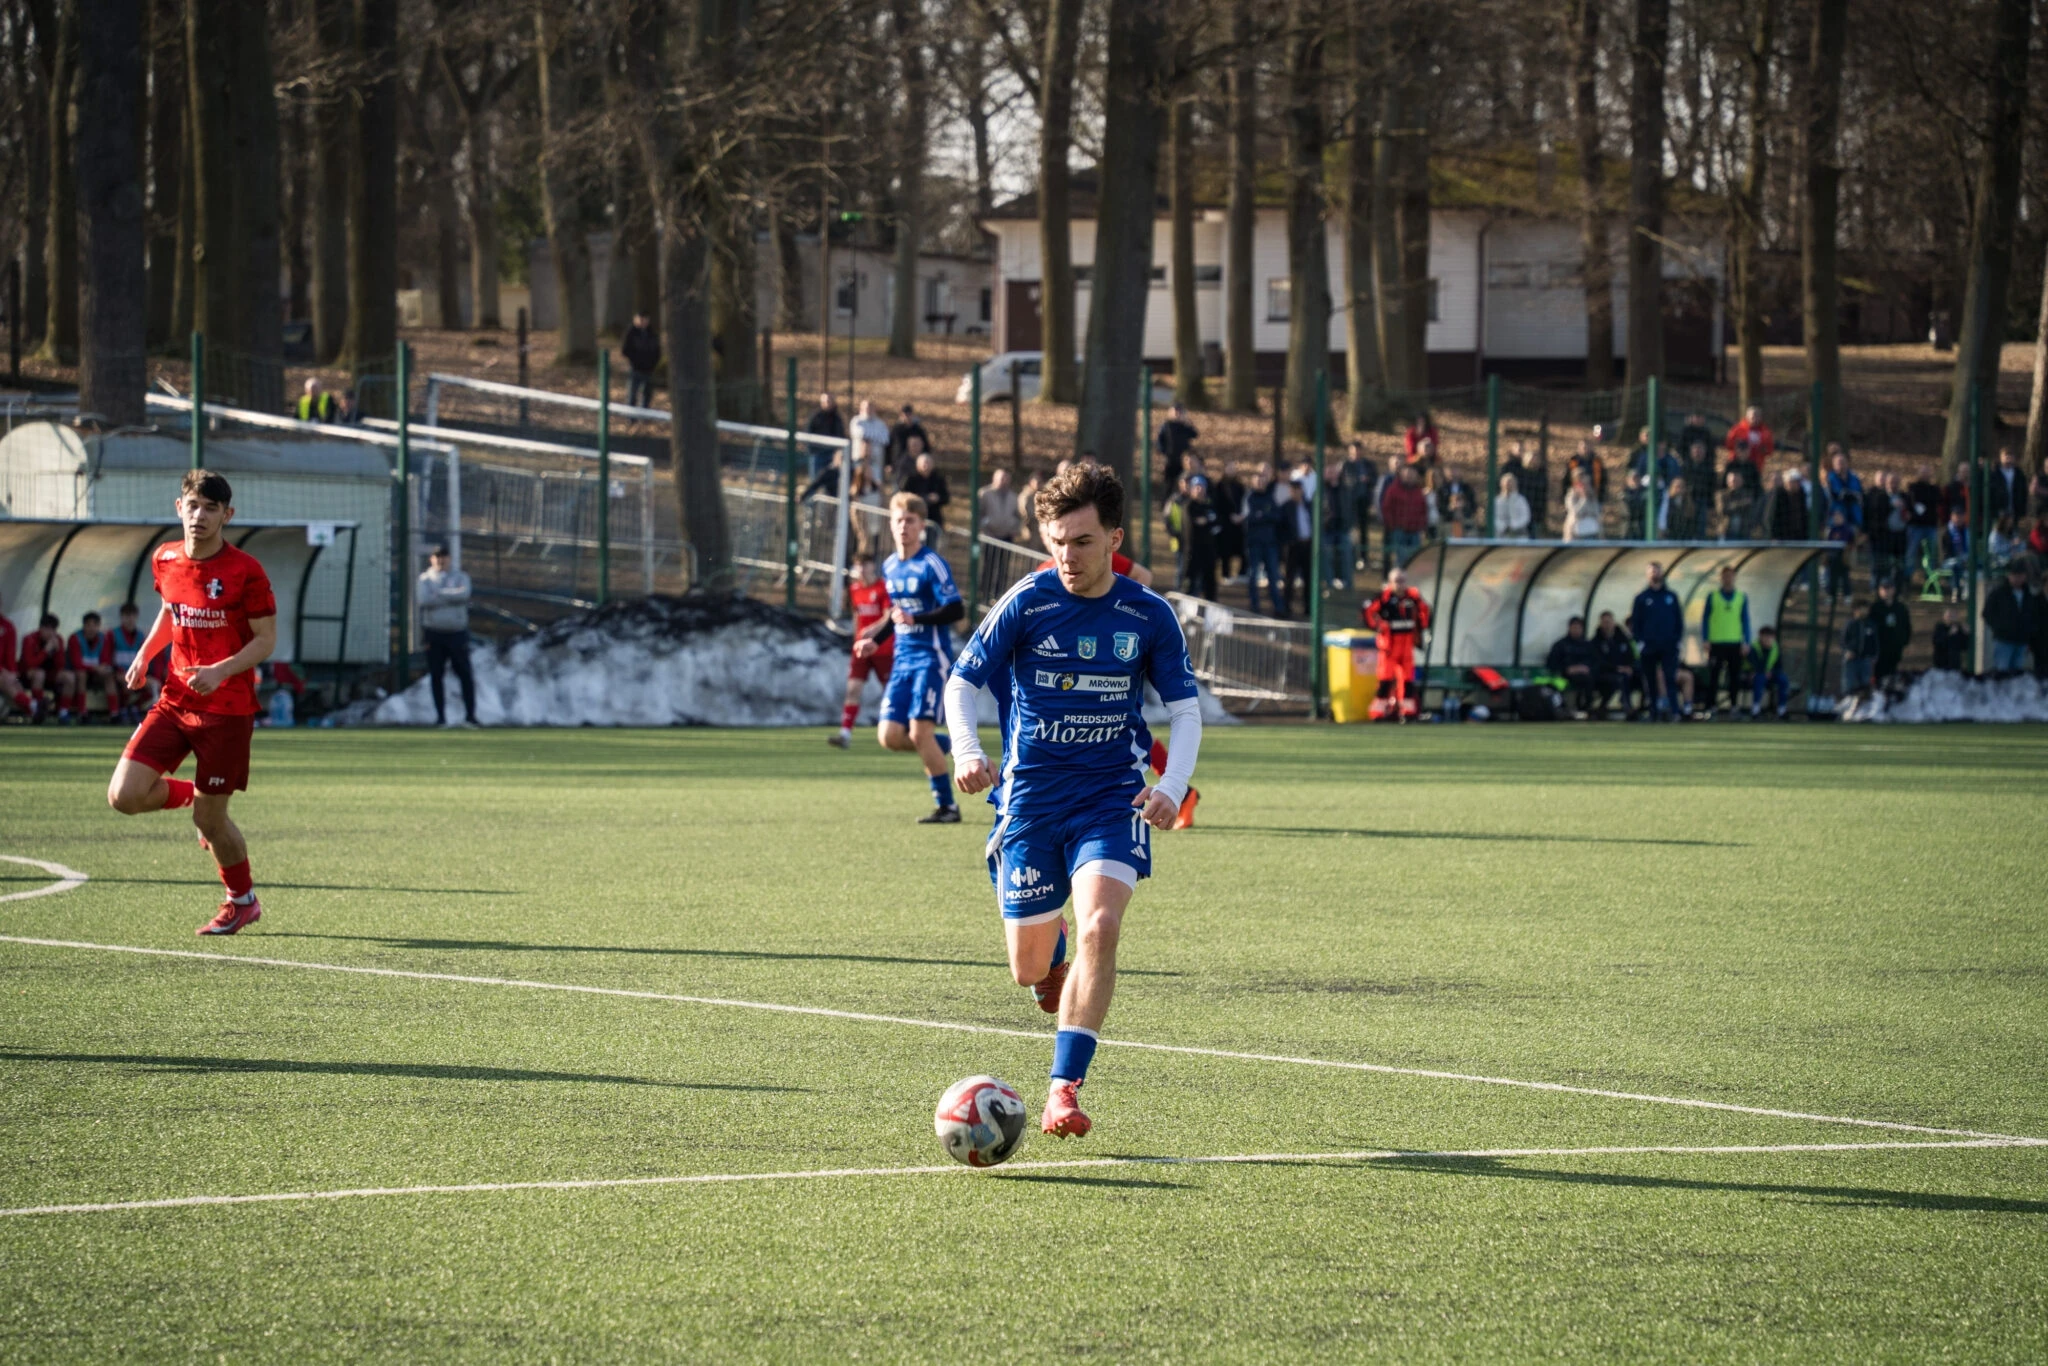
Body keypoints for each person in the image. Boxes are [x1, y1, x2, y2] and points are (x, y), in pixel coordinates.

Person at [945, 462, 1201, 1141]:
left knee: (1101, 927)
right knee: (1029, 969)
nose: (1067, 556)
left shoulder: (1147, 615)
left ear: (1115, 538)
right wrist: (967, 751)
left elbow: (1185, 711)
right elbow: (961, 684)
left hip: (1111, 798)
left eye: (1082, 541)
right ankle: (1050, 950)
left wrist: (1172, 787)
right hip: (1029, 802)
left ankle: (1063, 1089)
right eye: (1056, 541)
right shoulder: (1027, 602)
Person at [106, 468, 278, 936]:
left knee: (212, 821)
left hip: (227, 710)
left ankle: (242, 901)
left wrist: (220, 671)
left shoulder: (245, 571)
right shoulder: (164, 558)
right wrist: (145, 655)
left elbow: (266, 641)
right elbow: (171, 611)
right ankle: (191, 796)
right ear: (179, 507)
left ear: (227, 515)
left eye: (210, 508)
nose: (199, 516)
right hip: (175, 701)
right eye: (193, 506)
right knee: (124, 797)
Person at [856, 492, 964, 823]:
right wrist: (874, 640)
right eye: (899, 520)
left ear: (921, 526)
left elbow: (955, 609)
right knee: (889, 736)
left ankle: (948, 807)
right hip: (902, 659)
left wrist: (917, 618)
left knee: (919, 733)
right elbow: (896, 614)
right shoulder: (890, 566)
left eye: (911, 521)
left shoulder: (932, 564)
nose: (904, 526)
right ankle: (949, 746)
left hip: (931, 658)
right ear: (891, 524)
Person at [832, 552, 894, 748]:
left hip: (883, 648)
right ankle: (845, 734)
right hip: (861, 649)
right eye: (858, 566)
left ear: (872, 566)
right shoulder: (854, 589)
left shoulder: (883, 587)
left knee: (891, 692)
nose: (861, 569)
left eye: (865, 565)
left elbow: (888, 617)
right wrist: (856, 639)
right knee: (853, 689)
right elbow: (857, 616)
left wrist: (872, 631)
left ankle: (902, 728)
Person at [417, 544, 478, 727]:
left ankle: (470, 716)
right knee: (436, 675)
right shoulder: (425, 579)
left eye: (443, 556)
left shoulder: (461, 577)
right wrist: (452, 596)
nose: (440, 560)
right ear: (431, 559)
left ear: (449, 558)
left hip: (457, 633)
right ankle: (440, 718)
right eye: (437, 557)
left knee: (465, 674)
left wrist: (439, 594)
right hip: (434, 633)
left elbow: (464, 594)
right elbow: (424, 600)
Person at [1362, 567, 1430, 720]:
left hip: (1407, 644)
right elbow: (1368, 611)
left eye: (1402, 581)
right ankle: (1378, 712)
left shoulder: (1412, 597)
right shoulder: (1384, 598)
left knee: (1407, 680)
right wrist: (1378, 626)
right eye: (1397, 581)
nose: (1400, 585)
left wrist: (1422, 627)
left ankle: (1407, 712)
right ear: (1390, 582)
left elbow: (1425, 612)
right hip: (1390, 645)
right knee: (1385, 679)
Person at [1629, 561, 1684, 719]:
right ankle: (1653, 712)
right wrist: (1640, 642)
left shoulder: (1671, 597)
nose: (1655, 574)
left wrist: (1677, 640)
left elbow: (1678, 621)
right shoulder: (1641, 598)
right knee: (1650, 680)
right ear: (1647, 575)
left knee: (1670, 678)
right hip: (1649, 646)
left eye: (1657, 571)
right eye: (1652, 571)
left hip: (1668, 646)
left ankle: (1674, 711)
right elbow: (1636, 622)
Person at [1700, 565, 1752, 715]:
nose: (1728, 579)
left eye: (1730, 576)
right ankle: (1711, 706)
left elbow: (1745, 620)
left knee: (1734, 676)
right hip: (1716, 643)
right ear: (1721, 578)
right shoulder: (1713, 596)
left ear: (1734, 577)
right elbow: (1705, 619)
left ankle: (1734, 706)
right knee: (1714, 676)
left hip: (1734, 642)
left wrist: (1746, 641)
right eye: (1725, 576)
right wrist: (1705, 639)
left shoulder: (1741, 597)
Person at [1240, 463, 1287, 616]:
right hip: (1254, 543)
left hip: (1270, 543)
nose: (1260, 483)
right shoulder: (1249, 498)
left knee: (1273, 575)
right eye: (1257, 481)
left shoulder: (1270, 497)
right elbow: (1248, 518)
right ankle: (1254, 605)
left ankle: (1278, 607)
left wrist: (1262, 516)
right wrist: (1264, 517)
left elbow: (1277, 516)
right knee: (1253, 575)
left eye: (1262, 481)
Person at [1983, 562, 2039, 672]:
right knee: (2002, 671)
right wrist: (2000, 628)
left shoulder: (2028, 595)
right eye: (2015, 575)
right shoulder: (1999, 593)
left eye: (2020, 576)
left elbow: (2033, 616)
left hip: (2022, 640)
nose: (2018, 579)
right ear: (2009, 576)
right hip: (2004, 640)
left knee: (2017, 673)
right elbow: (1987, 613)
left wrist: (2029, 635)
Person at [20, 613, 75, 724]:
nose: (50, 633)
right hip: (29, 674)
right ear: (40, 628)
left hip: (50, 674)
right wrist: (46, 650)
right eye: (47, 629)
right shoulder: (29, 639)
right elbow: (30, 663)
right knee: (39, 674)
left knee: (70, 677)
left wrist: (57, 651)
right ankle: (38, 710)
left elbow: (60, 666)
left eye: (53, 629)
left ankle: (63, 712)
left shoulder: (58, 640)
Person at [109, 602, 157, 722]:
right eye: (127, 616)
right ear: (121, 617)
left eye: (132, 616)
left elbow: (146, 658)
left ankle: (140, 709)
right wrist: (117, 671)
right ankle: (121, 711)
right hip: (118, 674)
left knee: (155, 684)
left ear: (136, 617)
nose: (130, 619)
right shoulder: (112, 635)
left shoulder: (141, 636)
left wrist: (142, 673)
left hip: (136, 674)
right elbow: (107, 657)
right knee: (125, 682)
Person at [66, 611, 117, 722]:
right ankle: (82, 712)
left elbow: (106, 660)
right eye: (88, 625)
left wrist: (102, 668)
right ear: (84, 626)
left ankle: (114, 713)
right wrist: (95, 668)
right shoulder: (75, 638)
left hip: (97, 674)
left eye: (95, 625)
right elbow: (77, 663)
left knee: (109, 675)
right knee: (82, 675)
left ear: (99, 626)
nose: (91, 628)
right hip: (80, 673)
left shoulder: (103, 639)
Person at [1177, 474, 1221, 600]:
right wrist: (1206, 522)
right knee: (1189, 582)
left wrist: (1206, 521)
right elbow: (1191, 526)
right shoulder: (1189, 506)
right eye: (1196, 487)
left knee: (1210, 582)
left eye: (1201, 487)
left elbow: (1216, 524)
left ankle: (1210, 605)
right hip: (1192, 551)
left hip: (1209, 551)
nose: (1199, 490)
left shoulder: (1209, 506)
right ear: (1191, 489)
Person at [1545, 616, 1599, 715]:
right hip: (1564, 676)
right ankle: (1575, 708)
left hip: (1586, 675)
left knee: (1593, 679)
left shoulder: (1588, 645)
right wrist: (1567, 669)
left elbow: (1596, 662)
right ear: (1569, 628)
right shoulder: (1560, 645)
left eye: (1578, 628)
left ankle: (1587, 707)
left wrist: (1587, 668)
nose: (1576, 630)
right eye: (1574, 627)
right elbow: (1552, 663)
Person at [1379, 463, 1429, 567]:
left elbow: (1423, 510)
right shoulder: (1393, 490)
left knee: (1415, 558)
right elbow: (1387, 508)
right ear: (1402, 474)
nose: (1409, 476)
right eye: (1407, 473)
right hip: (1399, 530)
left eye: (1412, 473)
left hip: (1415, 531)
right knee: (1401, 559)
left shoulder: (1418, 491)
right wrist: (1392, 525)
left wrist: (1421, 526)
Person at [898, 443, 949, 542]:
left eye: (928, 463)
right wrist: (924, 498)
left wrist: (938, 498)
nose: (926, 466)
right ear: (918, 464)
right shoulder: (910, 479)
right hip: (914, 517)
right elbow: (904, 496)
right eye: (924, 463)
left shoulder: (938, 479)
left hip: (933, 518)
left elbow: (946, 497)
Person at [1591, 611, 1637, 718]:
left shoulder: (1623, 639)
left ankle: (1649, 707)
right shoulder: (1596, 642)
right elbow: (1598, 661)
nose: (1607, 625)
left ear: (1613, 622)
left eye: (1609, 622)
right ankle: (1627, 707)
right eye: (1605, 622)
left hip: (1625, 671)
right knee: (1620, 679)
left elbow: (1631, 656)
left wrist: (1630, 667)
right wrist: (1616, 668)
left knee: (1642, 676)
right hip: (1604, 673)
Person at [1904, 463, 1944, 582]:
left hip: (1930, 526)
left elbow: (1938, 503)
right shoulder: (1913, 488)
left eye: (1927, 473)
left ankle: (1930, 578)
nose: (1925, 475)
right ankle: (1907, 577)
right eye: (1923, 472)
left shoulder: (1934, 489)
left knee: (1931, 553)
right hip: (1915, 526)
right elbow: (1909, 504)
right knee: (1911, 552)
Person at [1212, 460, 1247, 583]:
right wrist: (1228, 516)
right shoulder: (1219, 486)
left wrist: (1240, 516)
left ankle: (1242, 573)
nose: (1232, 471)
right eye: (1230, 468)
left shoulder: (1240, 486)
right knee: (1225, 550)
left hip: (1239, 523)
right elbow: (1218, 504)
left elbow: (1244, 502)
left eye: (1234, 468)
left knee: (1242, 549)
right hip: (1225, 523)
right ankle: (1225, 574)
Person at [1871, 578, 1913, 681]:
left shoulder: (1900, 608)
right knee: (1879, 673)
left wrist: (1905, 641)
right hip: (1880, 647)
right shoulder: (1875, 608)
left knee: (1892, 672)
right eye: (1883, 588)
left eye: (1888, 588)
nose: (1886, 591)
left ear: (1893, 590)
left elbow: (1906, 626)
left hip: (1895, 647)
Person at [1156, 404, 1198, 505]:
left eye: (1179, 412)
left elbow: (1194, 434)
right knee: (1169, 484)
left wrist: (1187, 423)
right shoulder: (1166, 425)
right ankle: (1165, 504)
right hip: (1171, 460)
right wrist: (1164, 452)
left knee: (1184, 482)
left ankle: (1181, 504)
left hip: (1184, 461)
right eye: (1175, 412)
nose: (1177, 415)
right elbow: (1160, 440)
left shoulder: (1184, 426)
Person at [1748, 626, 1790, 718]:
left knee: (1783, 680)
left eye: (1770, 637)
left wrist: (1771, 672)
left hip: (1771, 675)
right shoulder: (1754, 647)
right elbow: (1754, 664)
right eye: (1765, 636)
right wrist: (1764, 672)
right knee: (1759, 678)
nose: (1768, 639)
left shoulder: (1775, 648)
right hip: (1755, 675)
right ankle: (1755, 709)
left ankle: (1781, 709)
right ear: (1760, 636)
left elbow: (1779, 666)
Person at [621, 314, 661, 408]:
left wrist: (653, 363)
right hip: (635, 368)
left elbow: (657, 351)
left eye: (645, 319)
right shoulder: (631, 333)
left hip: (649, 369)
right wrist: (634, 360)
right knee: (632, 393)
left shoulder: (652, 334)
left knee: (647, 394)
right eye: (641, 319)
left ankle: (644, 413)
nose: (643, 322)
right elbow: (625, 350)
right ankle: (631, 414)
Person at [1725, 406, 1774, 481]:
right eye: (1753, 416)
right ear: (1747, 417)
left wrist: (1761, 449)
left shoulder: (1765, 432)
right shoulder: (1737, 429)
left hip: (1756, 466)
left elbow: (1769, 450)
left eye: (1757, 416)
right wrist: (1740, 447)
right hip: (1738, 465)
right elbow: (1728, 444)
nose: (1755, 419)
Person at [1840, 601, 1880, 694]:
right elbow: (1843, 641)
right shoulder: (1850, 624)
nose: (1864, 611)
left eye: (1866, 609)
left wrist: (1875, 655)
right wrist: (1847, 651)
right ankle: (1848, 697)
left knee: (1865, 683)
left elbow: (1875, 641)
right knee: (1849, 683)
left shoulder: (1871, 625)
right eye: (1862, 609)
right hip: (1851, 659)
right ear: (1855, 610)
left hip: (1866, 659)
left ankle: (1863, 699)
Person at [850, 399, 892, 486]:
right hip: (859, 460)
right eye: (866, 408)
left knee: (876, 484)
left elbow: (885, 439)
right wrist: (875, 437)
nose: (868, 411)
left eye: (870, 408)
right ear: (861, 409)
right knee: (858, 483)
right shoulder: (856, 421)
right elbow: (860, 434)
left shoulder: (880, 424)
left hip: (876, 461)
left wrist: (869, 437)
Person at [804, 393, 847, 477]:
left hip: (832, 454)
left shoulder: (837, 418)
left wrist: (838, 452)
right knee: (816, 479)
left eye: (830, 401)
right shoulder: (816, 417)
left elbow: (841, 435)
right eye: (826, 401)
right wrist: (813, 449)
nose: (828, 404)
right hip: (817, 453)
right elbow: (808, 433)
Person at [0, 592, 27, 722]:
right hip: (2, 674)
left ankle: (32, 709)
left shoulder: (7, 626)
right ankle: (33, 707)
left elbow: (10, 653)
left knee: (15, 684)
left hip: (4, 675)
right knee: (5, 681)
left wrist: (12, 674)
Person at [1765, 468, 1810, 541]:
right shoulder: (1778, 494)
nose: (1797, 484)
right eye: (1794, 482)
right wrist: (1774, 536)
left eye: (1798, 482)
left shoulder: (1801, 495)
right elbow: (1770, 516)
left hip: (1798, 537)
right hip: (1781, 537)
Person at [889, 403, 932, 475]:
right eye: (905, 415)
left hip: (916, 461)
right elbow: (889, 446)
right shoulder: (896, 429)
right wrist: (888, 463)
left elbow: (926, 446)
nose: (907, 417)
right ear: (901, 415)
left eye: (909, 415)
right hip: (898, 461)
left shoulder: (918, 429)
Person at [1986, 446, 2025, 521]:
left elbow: (2023, 492)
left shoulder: (2019, 474)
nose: (2008, 459)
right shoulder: (1995, 473)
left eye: (2010, 456)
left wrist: (2021, 511)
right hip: (1999, 510)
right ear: (2001, 457)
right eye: (2006, 456)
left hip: (2014, 510)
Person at [1930, 604, 1971, 672]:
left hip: (1954, 664)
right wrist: (1949, 634)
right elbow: (1937, 643)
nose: (1951, 618)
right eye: (1949, 615)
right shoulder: (1940, 627)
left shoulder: (1958, 628)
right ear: (1944, 616)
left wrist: (1966, 634)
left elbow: (1964, 646)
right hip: (1941, 663)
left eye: (1953, 616)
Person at [1563, 473, 1602, 541]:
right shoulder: (1571, 496)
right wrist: (1583, 499)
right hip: (1575, 534)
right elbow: (1575, 512)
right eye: (1583, 484)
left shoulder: (1592, 496)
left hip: (1592, 532)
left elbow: (1596, 512)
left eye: (1587, 484)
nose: (1585, 487)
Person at [1497, 472, 1531, 538]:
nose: (1508, 485)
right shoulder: (1497, 501)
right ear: (1501, 484)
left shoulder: (1521, 500)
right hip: (1501, 535)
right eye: (1506, 483)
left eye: (1511, 483)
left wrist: (1513, 526)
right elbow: (1494, 518)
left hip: (1519, 535)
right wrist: (1504, 527)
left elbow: (1526, 517)